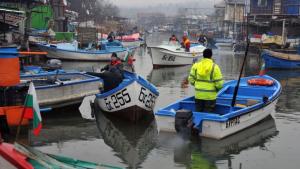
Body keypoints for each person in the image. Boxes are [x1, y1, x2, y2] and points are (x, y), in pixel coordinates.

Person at [188, 48, 224, 113]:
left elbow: (191, 79)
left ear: (203, 55)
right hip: (210, 96)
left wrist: (197, 85)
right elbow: (219, 84)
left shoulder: (196, 65)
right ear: (211, 56)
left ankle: (197, 122)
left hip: (198, 95)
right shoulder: (215, 67)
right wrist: (216, 90)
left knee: (198, 113)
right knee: (208, 115)